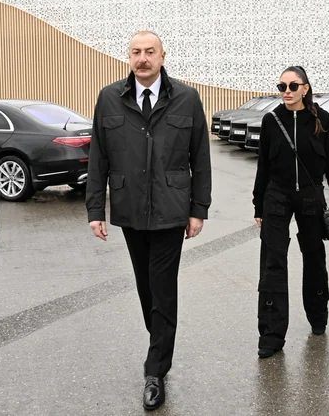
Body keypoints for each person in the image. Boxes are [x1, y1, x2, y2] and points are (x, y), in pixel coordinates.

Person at [86, 30, 212, 411]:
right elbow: (98, 157)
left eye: (150, 52)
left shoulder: (186, 99)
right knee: (146, 288)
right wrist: (95, 210)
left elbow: (201, 157)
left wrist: (198, 209)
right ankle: (160, 338)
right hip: (129, 208)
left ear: (162, 56)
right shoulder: (110, 98)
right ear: (129, 57)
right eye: (136, 52)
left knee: (162, 285)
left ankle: (155, 369)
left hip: (172, 210)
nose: (143, 58)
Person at [252, 66, 329, 359]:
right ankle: (271, 334)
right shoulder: (271, 121)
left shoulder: (321, 119)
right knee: (273, 263)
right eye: (282, 87)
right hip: (276, 196)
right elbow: (263, 166)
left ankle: (318, 316)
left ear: (306, 88)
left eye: (293, 86)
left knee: (314, 258)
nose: (287, 92)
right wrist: (258, 205)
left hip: (310, 195)